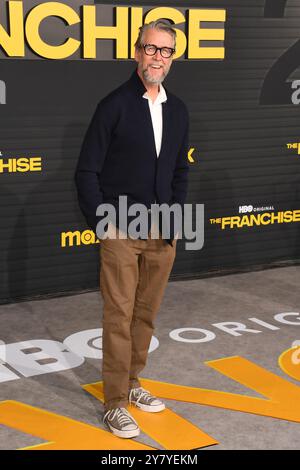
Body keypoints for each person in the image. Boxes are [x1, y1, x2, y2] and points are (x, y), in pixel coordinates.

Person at [75, 19, 189, 439]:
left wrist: (175, 219)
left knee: (146, 315)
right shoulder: (114, 105)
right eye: (150, 48)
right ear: (135, 52)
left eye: (165, 51)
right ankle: (115, 402)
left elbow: (179, 170)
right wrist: (105, 225)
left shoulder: (177, 109)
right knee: (119, 316)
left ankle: (133, 383)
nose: (157, 57)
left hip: (163, 232)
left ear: (172, 58)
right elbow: (86, 171)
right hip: (121, 230)